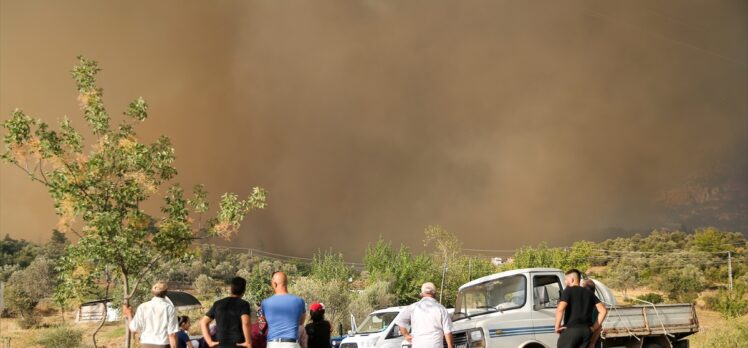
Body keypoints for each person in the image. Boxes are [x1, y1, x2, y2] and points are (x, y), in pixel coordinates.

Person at [555, 269, 608, 348]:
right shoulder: (589, 293)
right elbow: (603, 311)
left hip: (571, 331)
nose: (565, 281)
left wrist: (557, 326)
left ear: (572, 279)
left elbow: (560, 309)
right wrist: (593, 328)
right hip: (586, 333)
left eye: (566, 279)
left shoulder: (568, 290)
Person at [394, 282, 453, 348]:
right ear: (435, 294)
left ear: (421, 294)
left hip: (418, 345)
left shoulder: (413, 307)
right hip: (435, 345)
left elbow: (400, 321)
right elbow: (447, 331)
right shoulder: (441, 309)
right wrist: (450, 346)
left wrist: (406, 335)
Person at [124, 281, 179, 348]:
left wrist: (129, 314)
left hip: (146, 344)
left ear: (152, 292)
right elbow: (172, 334)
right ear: (165, 293)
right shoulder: (169, 308)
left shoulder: (143, 307)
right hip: (162, 344)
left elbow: (134, 328)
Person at [201, 277, 253, 348]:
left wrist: (209, 342)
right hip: (238, 344)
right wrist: (248, 342)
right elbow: (246, 322)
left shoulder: (218, 304)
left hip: (221, 344)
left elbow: (203, 322)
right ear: (244, 290)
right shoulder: (244, 304)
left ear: (231, 288)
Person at [261, 272, 306, 348]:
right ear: (286, 283)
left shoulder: (265, 303)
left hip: (273, 344)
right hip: (291, 344)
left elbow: (265, 321)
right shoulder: (299, 301)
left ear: (274, 284)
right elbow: (301, 322)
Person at [582, 279, 602, 348]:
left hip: (592, 340)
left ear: (587, 289)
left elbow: (598, 327)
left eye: (583, 287)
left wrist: (592, 343)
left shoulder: (594, 305)